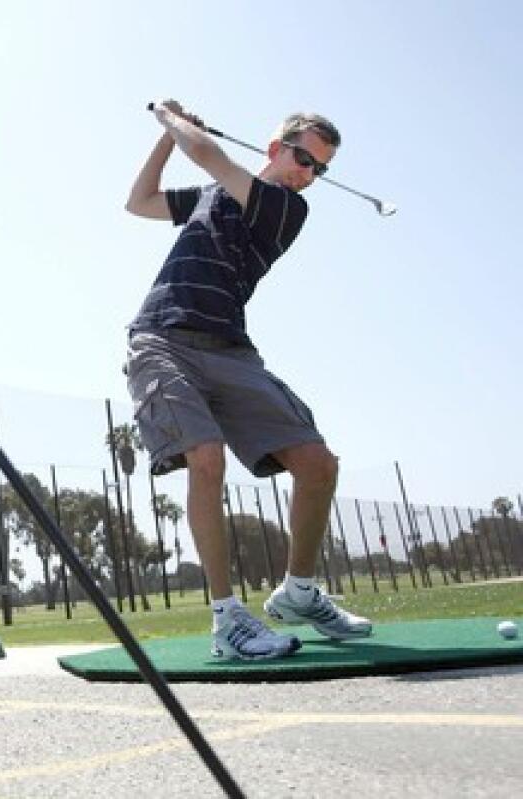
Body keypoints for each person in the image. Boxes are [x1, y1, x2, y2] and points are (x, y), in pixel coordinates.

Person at [123, 100, 372, 660]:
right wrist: (167, 138)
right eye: (302, 157)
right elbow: (138, 202)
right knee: (205, 457)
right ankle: (227, 618)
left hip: (232, 352)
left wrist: (168, 116)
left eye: (319, 169)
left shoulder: (284, 209)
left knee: (317, 465)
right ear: (275, 147)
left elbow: (207, 152)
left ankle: (300, 592)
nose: (306, 174)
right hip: (163, 338)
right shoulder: (211, 197)